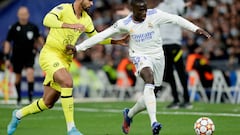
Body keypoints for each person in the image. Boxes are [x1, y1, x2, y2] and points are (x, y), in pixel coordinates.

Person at [66, 0, 211, 134]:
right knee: (149, 79)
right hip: (139, 56)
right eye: (141, 10)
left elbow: (176, 19)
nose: (144, 13)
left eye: (145, 9)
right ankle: (154, 122)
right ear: (133, 10)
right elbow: (101, 36)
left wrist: (196, 29)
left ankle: (129, 114)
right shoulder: (124, 23)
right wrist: (79, 48)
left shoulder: (155, 15)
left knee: (153, 91)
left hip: (158, 56)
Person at [7, 1, 128, 135]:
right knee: (67, 82)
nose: (92, 3)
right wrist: (70, 25)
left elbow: (95, 38)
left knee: (47, 102)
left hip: (65, 60)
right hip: (50, 54)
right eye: (89, 0)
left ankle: (17, 114)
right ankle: (71, 129)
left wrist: (115, 41)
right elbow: (47, 20)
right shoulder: (64, 9)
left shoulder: (86, 19)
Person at [3, 6, 44, 106]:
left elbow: (40, 40)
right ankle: (19, 98)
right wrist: (6, 57)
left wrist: (46, 49)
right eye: (21, 14)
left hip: (29, 55)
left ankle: (30, 98)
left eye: (25, 14)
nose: (23, 16)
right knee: (18, 78)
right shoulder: (13, 27)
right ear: (18, 15)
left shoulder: (33, 27)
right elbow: (8, 43)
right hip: (17, 56)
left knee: (30, 73)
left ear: (28, 15)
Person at [156, 0, 192, 109]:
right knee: (169, 73)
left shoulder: (178, 2)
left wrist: (185, 7)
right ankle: (176, 99)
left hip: (174, 43)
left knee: (180, 72)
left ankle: (186, 100)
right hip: (163, 44)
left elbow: (183, 11)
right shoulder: (161, 6)